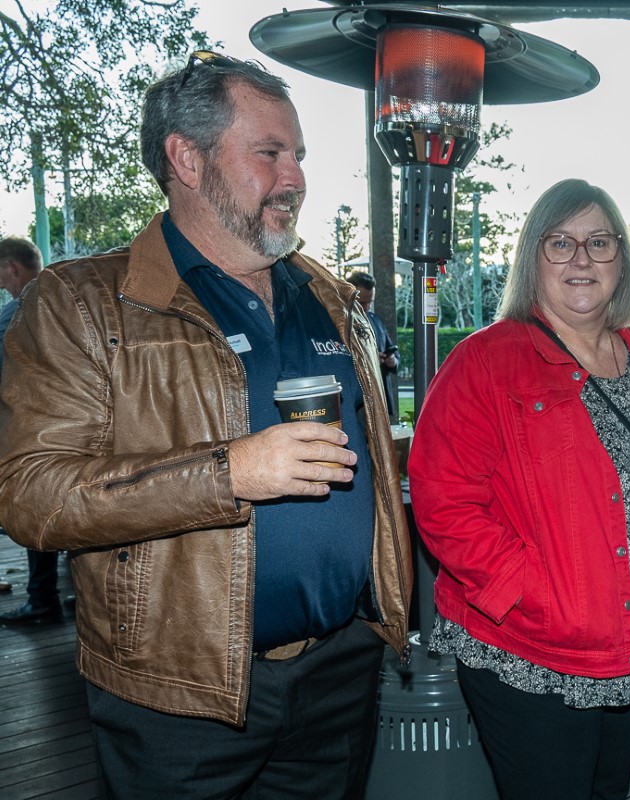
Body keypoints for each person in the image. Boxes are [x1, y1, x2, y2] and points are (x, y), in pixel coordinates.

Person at [0, 51, 412, 798]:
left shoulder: (327, 295)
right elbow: (35, 497)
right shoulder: (83, 302)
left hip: (339, 673)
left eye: (299, 155)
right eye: (269, 152)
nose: (295, 177)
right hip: (177, 700)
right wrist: (230, 472)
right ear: (186, 159)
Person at [408, 178, 630, 800]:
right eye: (561, 242)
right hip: (535, 648)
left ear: (622, 263)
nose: (582, 259)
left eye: (599, 243)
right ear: (534, 258)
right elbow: (443, 501)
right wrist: (526, 590)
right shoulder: (484, 361)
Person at [0, 236, 61, 618]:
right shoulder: (66, 300)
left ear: (12, 267)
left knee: (33, 505)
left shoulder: (14, 312)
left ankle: (42, 600)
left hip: (25, 428)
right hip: (69, 425)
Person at [346, 270, 400, 416]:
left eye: (370, 302)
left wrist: (392, 360)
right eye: (362, 302)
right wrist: (368, 359)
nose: (367, 307)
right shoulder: (339, 324)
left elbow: (392, 350)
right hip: (358, 402)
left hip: (381, 400)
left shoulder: (376, 320)